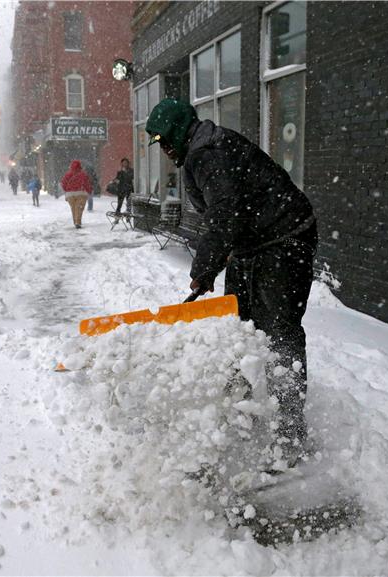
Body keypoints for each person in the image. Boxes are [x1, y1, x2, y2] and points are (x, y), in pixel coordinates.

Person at [146, 98, 318, 467]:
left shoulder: (206, 153)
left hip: (284, 239)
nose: (162, 149)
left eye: (163, 140)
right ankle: (239, 414)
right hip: (254, 243)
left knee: (279, 332)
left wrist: (204, 269)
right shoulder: (204, 147)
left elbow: (225, 213)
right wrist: (215, 261)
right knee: (236, 327)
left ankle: (290, 436)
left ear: (178, 131)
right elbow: (231, 213)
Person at [60, 160, 92, 229]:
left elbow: (63, 183)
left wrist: (67, 190)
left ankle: (75, 222)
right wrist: (89, 191)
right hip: (81, 193)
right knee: (79, 208)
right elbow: (87, 183)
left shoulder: (68, 174)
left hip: (70, 194)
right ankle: (78, 222)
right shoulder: (83, 174)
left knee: (73, 208)